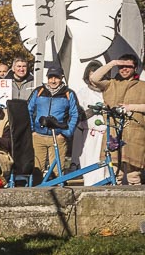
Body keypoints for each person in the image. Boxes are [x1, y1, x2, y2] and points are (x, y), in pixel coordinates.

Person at [88, 54, 145, 184]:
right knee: (115, 174)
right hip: (114, 131)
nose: (124, 69)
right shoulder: (110, 84)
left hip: (135, 133)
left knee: (133, 175)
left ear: (135, 68)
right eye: (121, 66)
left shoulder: (142, 86)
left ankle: (136, 203)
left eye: (128, 66)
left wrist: (131, 107)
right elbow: (94, 78)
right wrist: (112, 63)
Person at [27, 66, 80, 177]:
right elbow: (28, 111)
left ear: (61, 78)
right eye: (51, 77)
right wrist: (32, 131)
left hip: (58, 137)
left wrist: (66, 133)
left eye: (56, 77)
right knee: (36, 170)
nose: (53, 80)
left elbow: (75, 114)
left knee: (57, 171)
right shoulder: (38, 91)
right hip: (38, 136)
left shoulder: (68, 93)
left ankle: (58, 192)